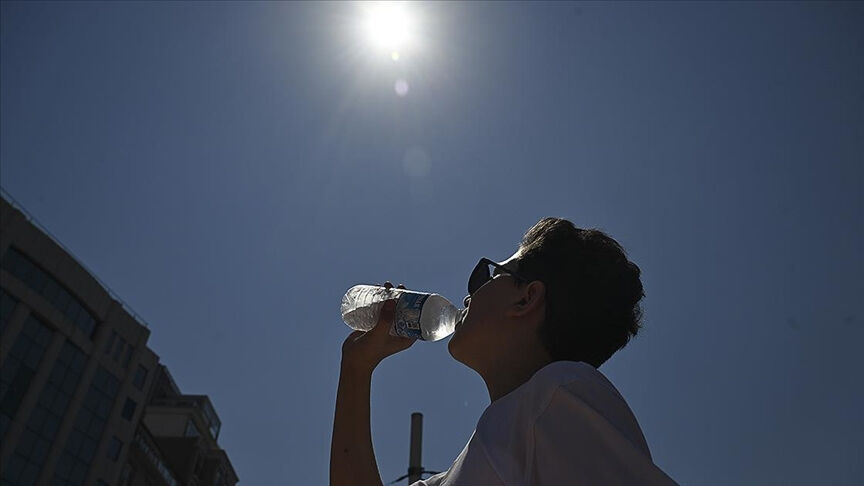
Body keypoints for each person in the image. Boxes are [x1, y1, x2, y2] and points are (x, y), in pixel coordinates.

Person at [331, 217, 677, 485]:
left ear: (526, 298)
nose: (468, 296)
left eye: (487, 276)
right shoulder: (487, 448)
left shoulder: (560, 392)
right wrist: (357, 368)